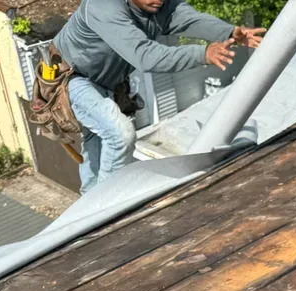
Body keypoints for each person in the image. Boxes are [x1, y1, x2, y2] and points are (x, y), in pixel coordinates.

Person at [54, 0, 264, 192]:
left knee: (98, 141)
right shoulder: (104, 6)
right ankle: (102, 204)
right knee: (120, 135)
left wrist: (228, 32)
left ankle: (86, 203)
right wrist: (202, 54)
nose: (159, 0)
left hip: (104, 82)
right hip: (71, 77)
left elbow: (189, 18)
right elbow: (145, 56)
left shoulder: (158, 6)